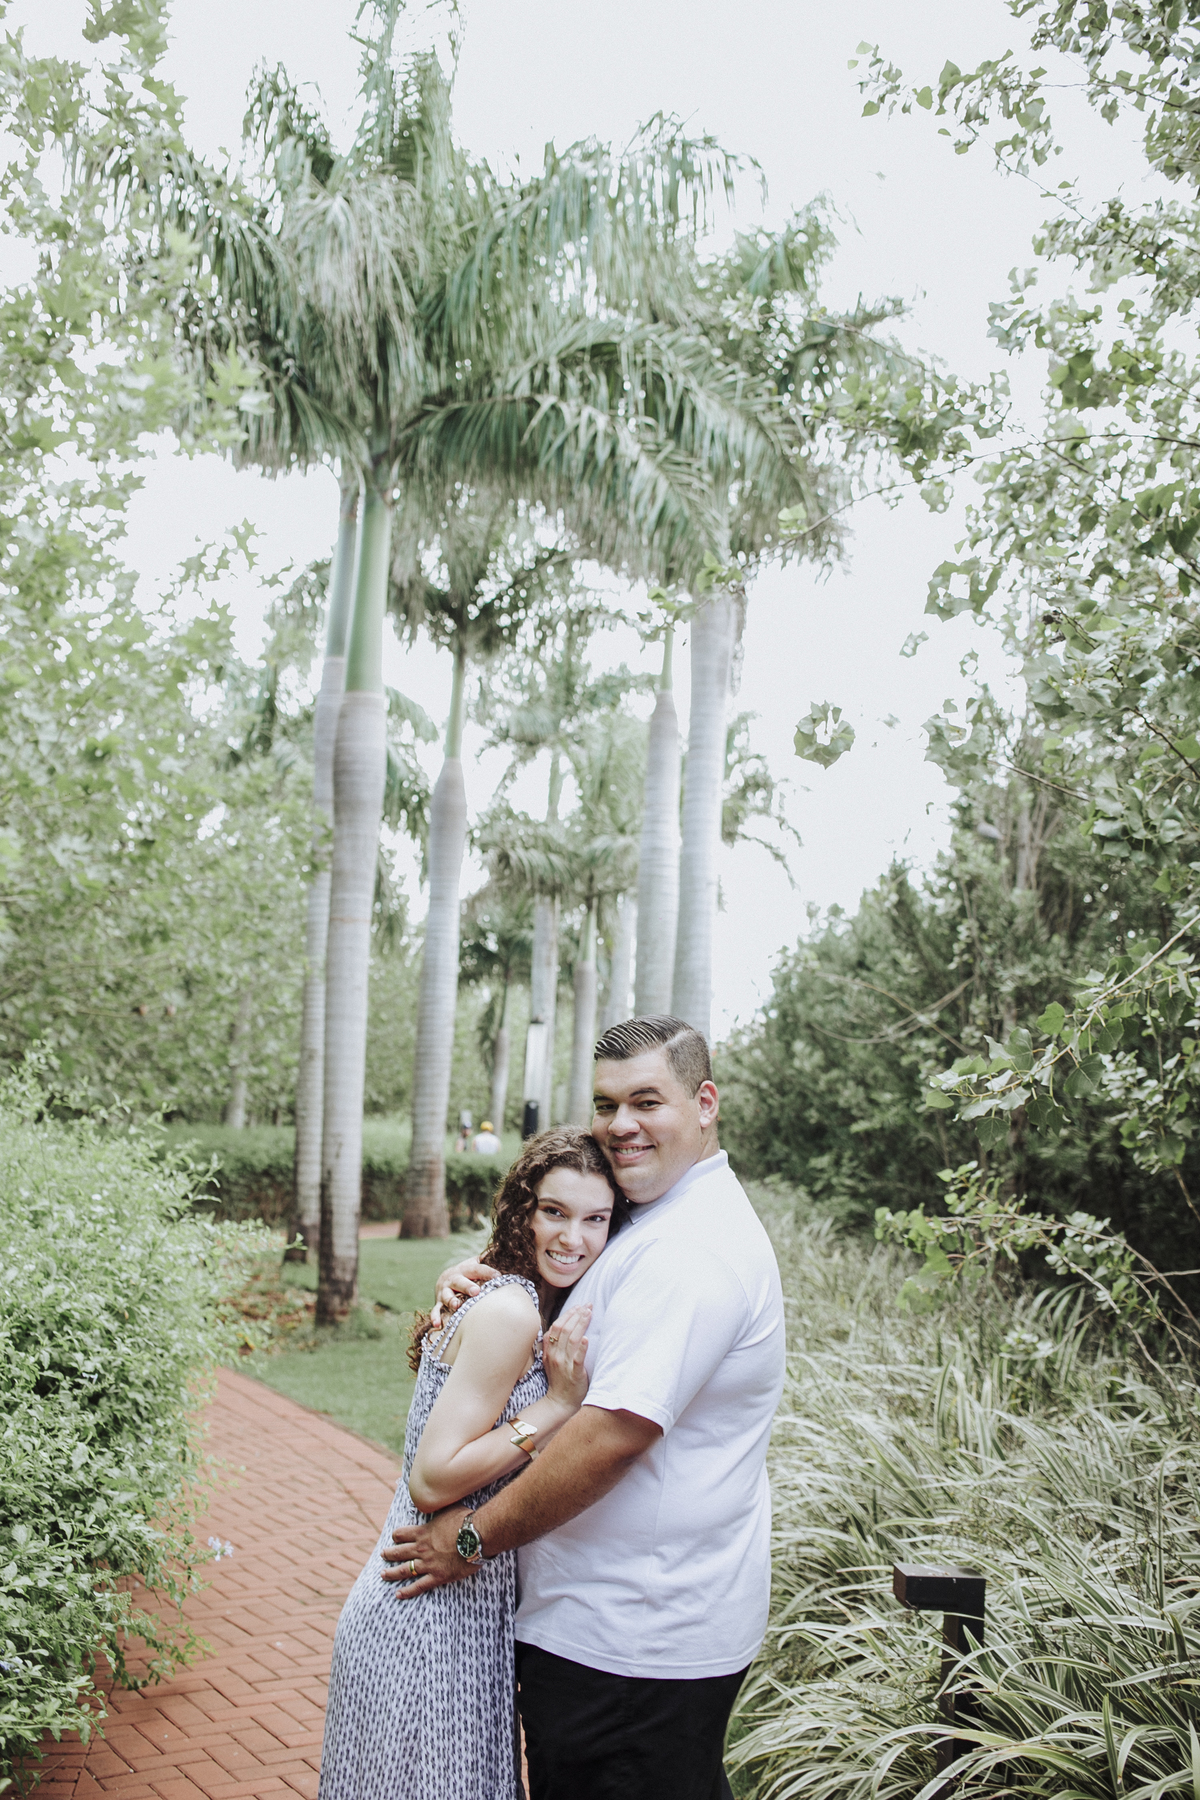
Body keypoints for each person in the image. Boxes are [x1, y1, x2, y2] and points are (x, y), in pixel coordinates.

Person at [385, 1015, 786, 1800]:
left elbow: (610, 1436)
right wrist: (482, 1279)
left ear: (705, 1103)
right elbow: (566, 1268)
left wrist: (468, 1540)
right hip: (619, 1633)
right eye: (607, 1104)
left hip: (631, 1644)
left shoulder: (690, 1250)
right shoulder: (655, 1213)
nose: (621, 1124)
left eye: (647, 1101)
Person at [317, 1127, 622, 1800]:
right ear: (523, 1210)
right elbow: (432, 1479)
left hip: (455, 1611)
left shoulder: (519, 1296)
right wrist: (557, 1406)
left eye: (595, 1219)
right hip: (425, 1615)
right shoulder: (512, 1311)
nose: (573, 1237)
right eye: (554, 1212)